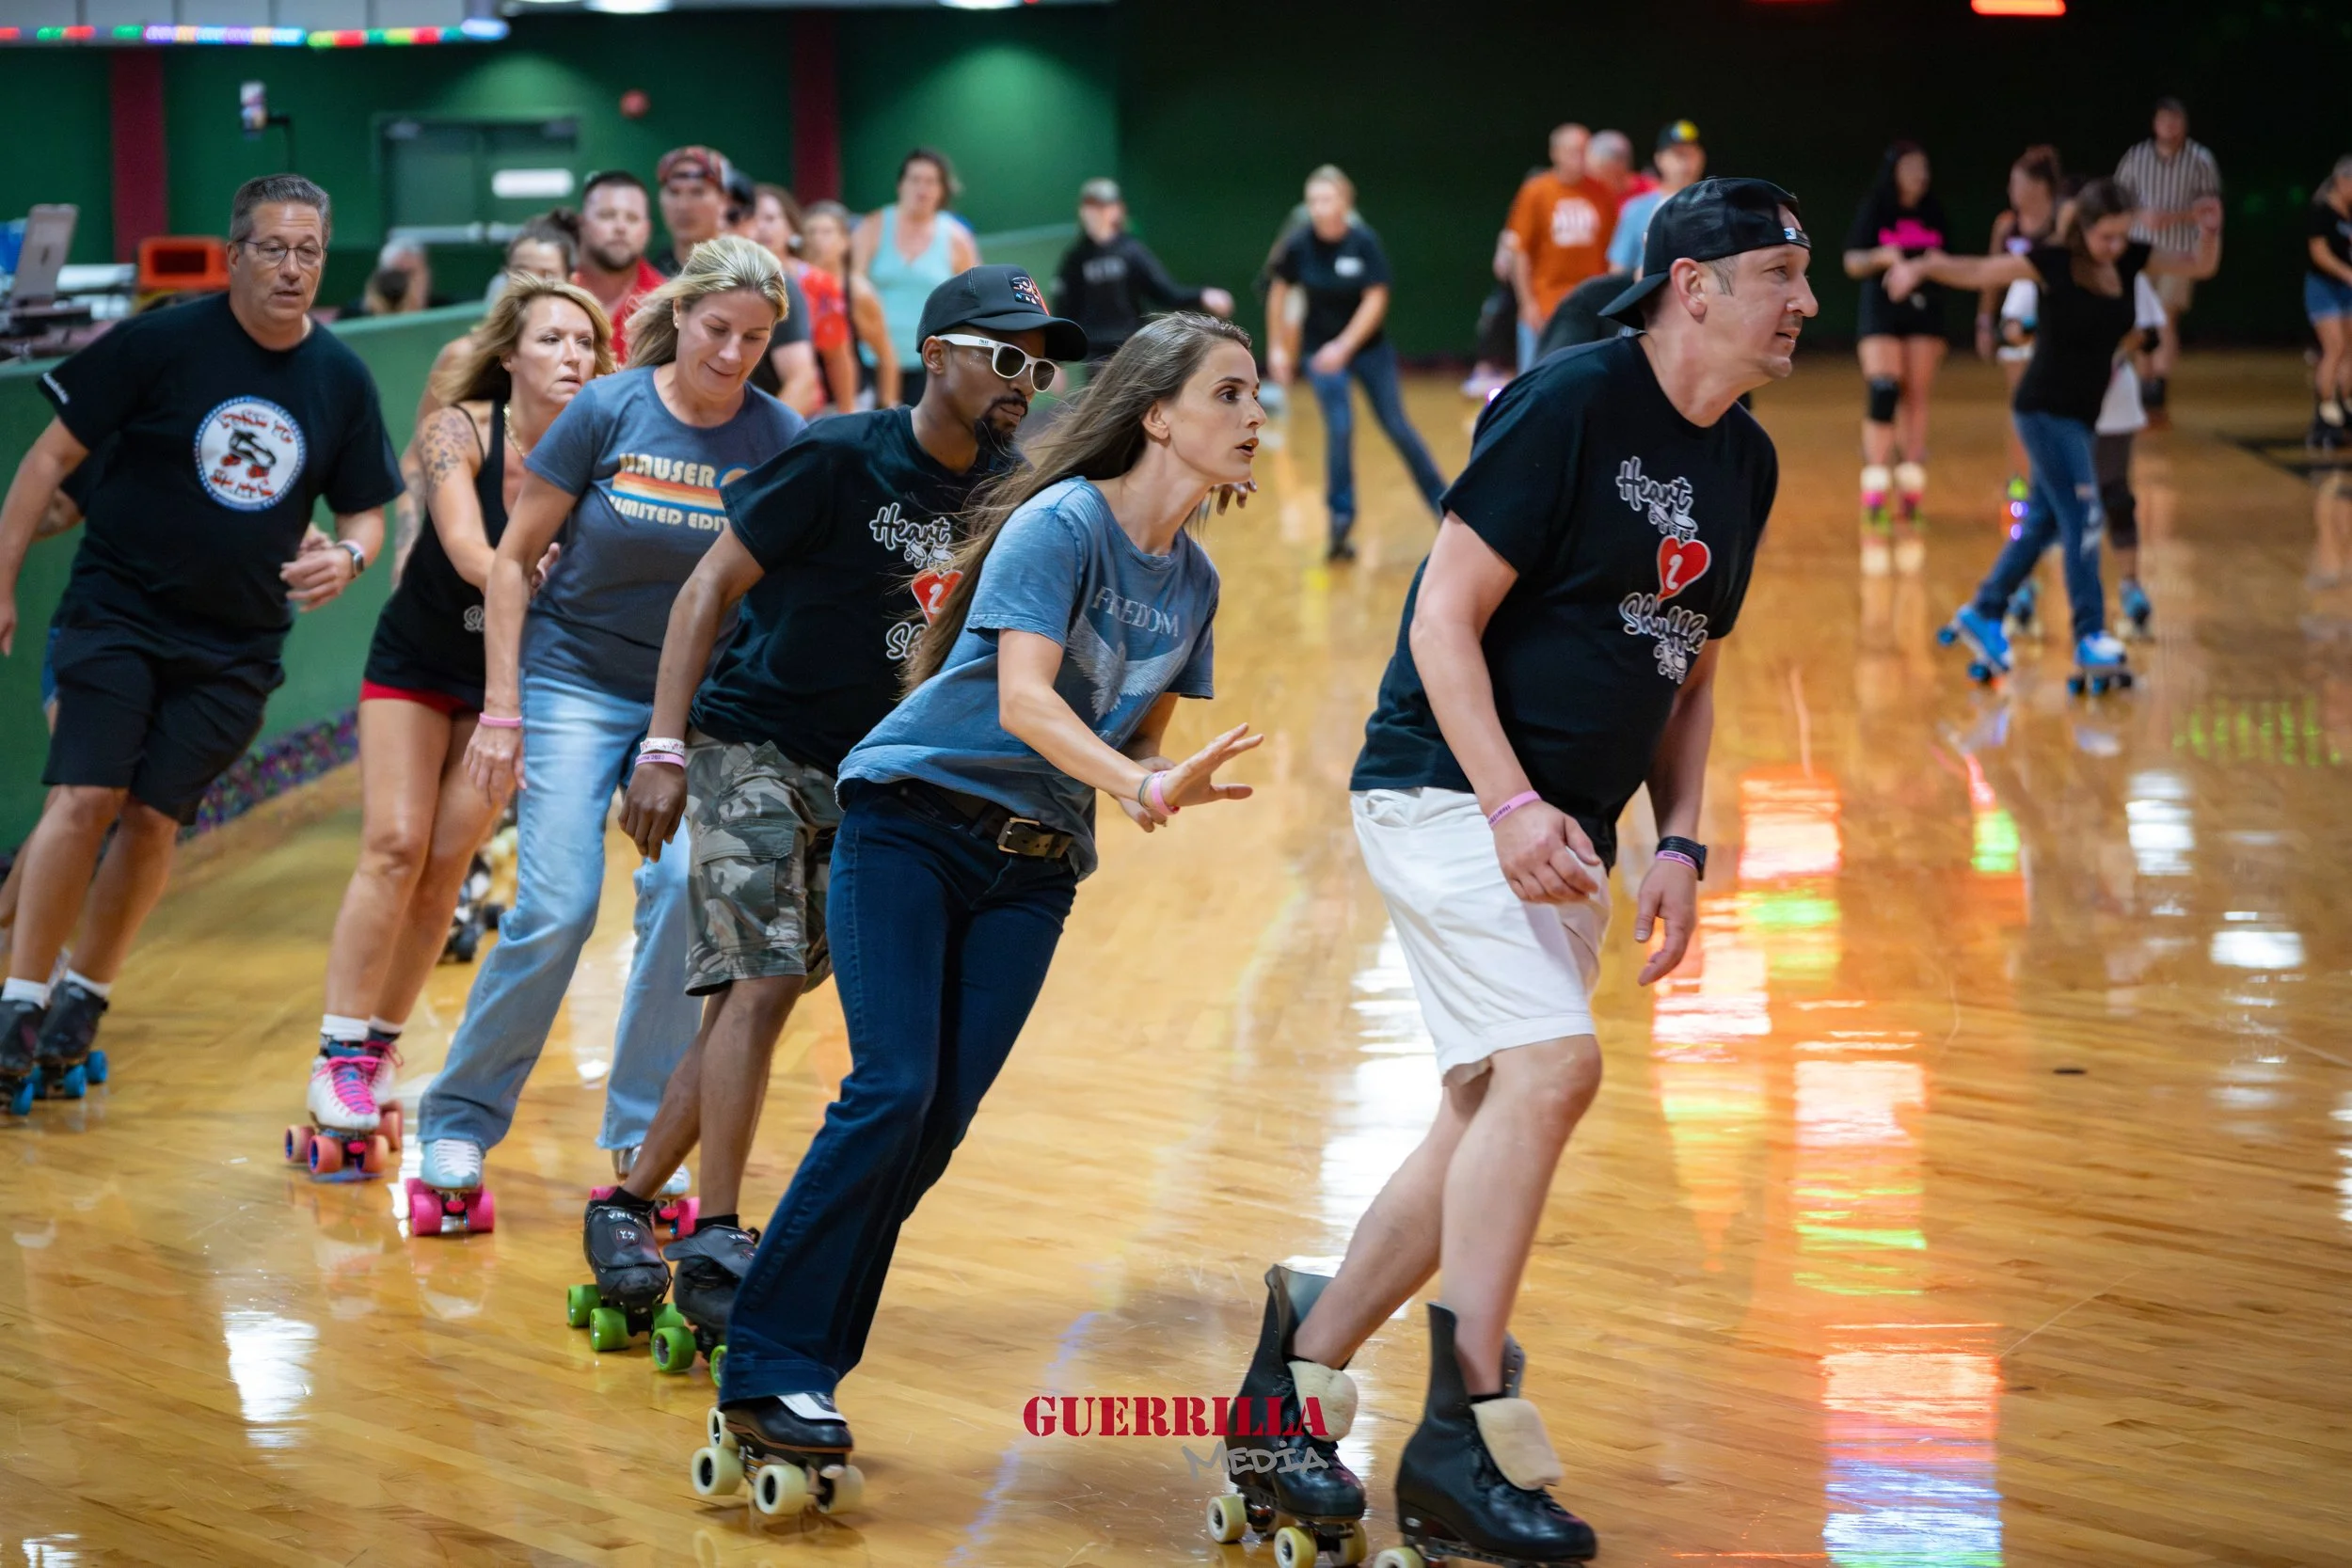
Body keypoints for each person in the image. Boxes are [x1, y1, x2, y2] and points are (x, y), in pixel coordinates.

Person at [1216, 178, 1810, 1568]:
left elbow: (1691, 664)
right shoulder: (1570, 403)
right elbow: (1441, 618)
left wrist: (1680, 836)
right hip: (1446, 791)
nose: (1806, 302)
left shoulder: (1748, 461)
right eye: (1782, 272)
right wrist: (1507, 803)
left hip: (1565, 829)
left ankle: (1289, 1378)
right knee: (1553, 1069)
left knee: (1485, 1099)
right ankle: (1465, 1423)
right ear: (1695, 285)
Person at [700, 309, 1262, 1498]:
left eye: (1253, 396)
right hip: (909, 818)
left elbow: (1135, 726)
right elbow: (1024, 700)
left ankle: (808, 1362)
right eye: (1230, 393)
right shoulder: (1061, 521)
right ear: (1157, 412)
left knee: (935, 1122)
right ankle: (767, 1359)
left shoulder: (1194, 583)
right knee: (890, 1085)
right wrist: (1140, 781)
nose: (1254, 415)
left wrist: (1158, 772)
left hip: (1034, 864)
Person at [596, 267, 1062, 1363]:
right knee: (755, 983)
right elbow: (707, 588)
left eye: (1039, 366)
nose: (1025, 382)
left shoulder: (1012, 493)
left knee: (741, 1015)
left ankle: (625, 1198)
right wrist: (663, 745)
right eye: (1006, 356)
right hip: (751, 740)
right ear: (936, 352)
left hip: (872, 776)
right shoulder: (839, 454)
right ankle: (714, 1233)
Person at [411, 235, 803, 1215]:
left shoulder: (778, 437)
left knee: (680, 895)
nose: (732, 353)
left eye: (755, 338)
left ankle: (640, 1127)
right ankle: (457, 1120)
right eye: (718, 329)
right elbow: (511, 562)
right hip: (574, 680)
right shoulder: (606, 409)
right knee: (556, 906)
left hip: (697, 701)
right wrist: (502, 709)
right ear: (680, 317)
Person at [0, 173, 402, 1108]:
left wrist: (346, 554)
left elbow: (367, 514)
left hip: (235, 644)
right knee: (87, 790)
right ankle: (21, 999)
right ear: (236, 255)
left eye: (308, 251)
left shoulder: (338, 377)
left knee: (152, 817)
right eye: (274, 248)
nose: (292, 268)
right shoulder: (160, 341)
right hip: (119, 612)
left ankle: (84, 997)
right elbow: (48, 461)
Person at [298, 276, 614, 1156]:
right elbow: (473, 549)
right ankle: (336, 1049)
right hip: (418, 662)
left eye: (585, 343)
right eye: (551, 339)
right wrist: (529, 572)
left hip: (512, 680)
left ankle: (380, 1052)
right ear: (509, 352)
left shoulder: (606, 448)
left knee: (446, 865)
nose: (571, 356)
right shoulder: (457, 428)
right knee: (394, 844)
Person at [1889, 177, 2222, 689]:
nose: (2115, 246)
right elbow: (1980, 270)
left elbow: (2199, 265)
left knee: (2044, 523)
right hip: (2042, 411)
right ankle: (2090, 633)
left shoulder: (2130, 260)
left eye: (2121, 235)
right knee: (2085, 516)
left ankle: (1986, 609)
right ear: (2083, 229)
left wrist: (2209, 231)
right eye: (2106, 237)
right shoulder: (2053, 263)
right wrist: (1920, 265)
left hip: (2080, 418)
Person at [1266, 165, 1449, 563]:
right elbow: (1279, 292)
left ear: (1345, 203)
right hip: (1321, 353)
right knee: (1340, 427)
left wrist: (1345, 346)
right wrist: (1278, 347)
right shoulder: (1298, 245)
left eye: (1327, 199)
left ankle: (1447, 512)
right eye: (1312, 200)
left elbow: (1376, 298)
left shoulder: (1363, 242)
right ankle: (1340, 524)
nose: (1319, 208)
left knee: (1397, 427)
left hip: (1368, 350)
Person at [1999, 261, 2166, 637]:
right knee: (2039, 499)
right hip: (2055, 401)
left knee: (2115, 495)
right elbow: (2010, 328)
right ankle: (2022, 588)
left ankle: (2131, 590)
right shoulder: (2044, 267)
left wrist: (2114, 344)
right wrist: (2047, 335)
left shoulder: (2125, 273)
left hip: (2111, 401)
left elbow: (2150, 333)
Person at [1842, 141, 1950, 571]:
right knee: (1884, 389)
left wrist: (1922, 269)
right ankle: (1874, 487)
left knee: (1915, 394)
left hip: (1925, 312)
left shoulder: (1934, 212)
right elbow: (1852, 260)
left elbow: (1950, 259)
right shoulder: (1877, 209)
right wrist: (1882, 257)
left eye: (1924, 167)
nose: (1919, 175)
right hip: (1881, 309)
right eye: (1911, 167)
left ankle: (1910, 492)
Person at [2115, 98, 2222, 423]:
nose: (2170, 127)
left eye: (2176, 121)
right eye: (2164, 120)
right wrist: (2141, 216)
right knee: (2138, 320)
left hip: (2179, 251)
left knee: (2167, 317)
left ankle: (2158, 384)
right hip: (2139, 250)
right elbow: (2117, 199)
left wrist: (2175, 218)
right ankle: (2143, 379)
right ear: (2155, 124)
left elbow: (2211, 207)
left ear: (2185, 125)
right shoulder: (2136, 157)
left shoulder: (2200, 160)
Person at [1052, 177, 1235, 367]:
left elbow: (1166, 292)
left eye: (1102, 206)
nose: (1096, 213)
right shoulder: (1076, 258)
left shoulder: (1131, 251)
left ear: (1117, 209)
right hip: (1096, 354)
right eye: (1091, 207)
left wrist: (1202, 295)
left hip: (1132, 347)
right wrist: (1056, 361)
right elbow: (1064, 309)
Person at [852, 149, 981, 406]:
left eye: (931, 181)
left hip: (932, 361)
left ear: (942, 190)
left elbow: (974, 297)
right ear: (901, 185)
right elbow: (852, 281)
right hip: (873, 359)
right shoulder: (873, 226)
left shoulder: (956, 237)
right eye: (915, 179)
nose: (922, 188)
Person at [1980, 147, 2065, 514]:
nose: (2012, 189)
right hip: (2016, 325)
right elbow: (1989, 277)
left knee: (2054, 405)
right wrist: (1985, 321)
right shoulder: (2007, 224)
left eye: (2019, 181)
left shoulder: (2062, 223)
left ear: (2041, 186)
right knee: (2021, 406)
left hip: (2054, 323)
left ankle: (2053, 483)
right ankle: (2020, 480)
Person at [1504, 124, 1617, 371]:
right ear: (1555, 153)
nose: (1579, 157)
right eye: (1572, 151)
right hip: (1545, 306)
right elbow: (1519, 250)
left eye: (1584, 150)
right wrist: (1527, 303)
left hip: (1589, 307)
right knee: (1535, 376)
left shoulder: (1602, 193)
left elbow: (1611, 252)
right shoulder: (1536, 191)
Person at [802, 200, 899, 412]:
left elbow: (886, 355)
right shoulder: (793, 283)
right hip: (804, 402)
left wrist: (888, 409)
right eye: (810, 232)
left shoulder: (857, 292)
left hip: (849, 403)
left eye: (827, 232)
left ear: (845, 241)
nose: (817, 239)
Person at [742, 182, 824, 416]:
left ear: (790, 227)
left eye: (770, 218)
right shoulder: (742, 278)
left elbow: (838, 359)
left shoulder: (815, 282)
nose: (761, 227)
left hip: (805, 409)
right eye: (753, 217)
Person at [574, 170, 665, 361]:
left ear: (647, 230)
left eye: (632, 218)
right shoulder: (554, 291)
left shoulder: (667, 303)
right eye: (607, 215)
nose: (621, 227)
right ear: (582, 224)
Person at [1608, 121, 1705, 278]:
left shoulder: (1713, 204)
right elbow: (1617, 272)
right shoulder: (1637, 209)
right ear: (1659, 159)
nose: (1685, 162)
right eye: (1678, 154)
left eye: (1691, 153)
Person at [2305, 155, 2352, 447]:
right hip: (2323, 287)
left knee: (2349, 348)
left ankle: (2345, 402)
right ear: (2342, 182)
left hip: (2346, 288)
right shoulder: (2321, 211)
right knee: (2333, 347)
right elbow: (2319, 254)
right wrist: (2347, 273)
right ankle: (2325, 407)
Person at [352, 236, 438, 317]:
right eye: (399, 275)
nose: (407, 283)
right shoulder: (355, 315)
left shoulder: (446, 310)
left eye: (411, 274)